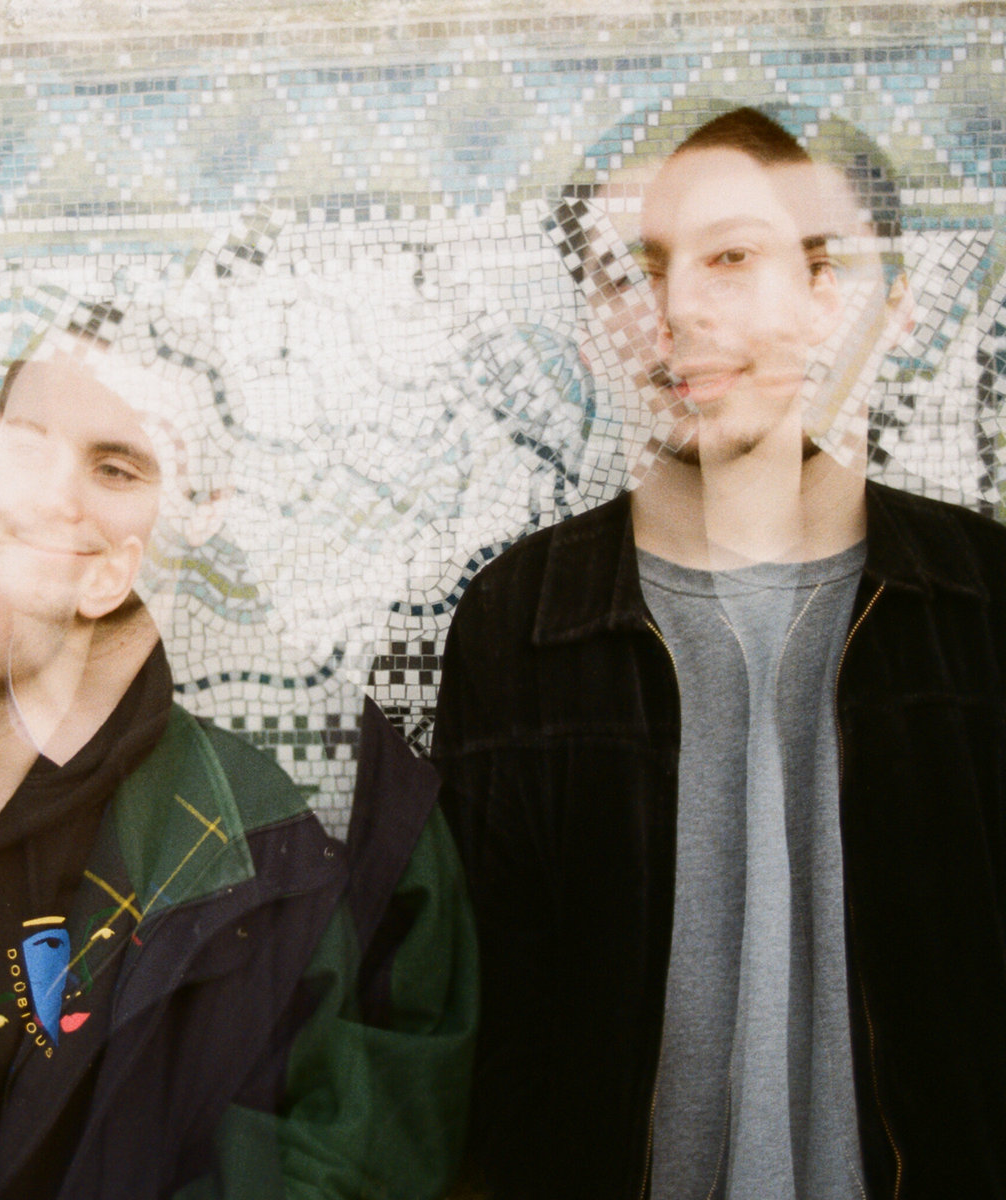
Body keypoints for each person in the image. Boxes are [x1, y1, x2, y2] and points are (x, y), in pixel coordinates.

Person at [433, 106, 1006, 1198]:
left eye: (732, 259)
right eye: (634, 273)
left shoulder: (984, 607)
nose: (677, 310)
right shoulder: (520, 620)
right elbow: (477, 1031)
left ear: (834, 295)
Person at [0, 327, 476, 1199]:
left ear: (204, 509)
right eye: (22, 456)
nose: (62, 502)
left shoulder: (315, 794)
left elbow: (359, 1140)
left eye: (117, 470)